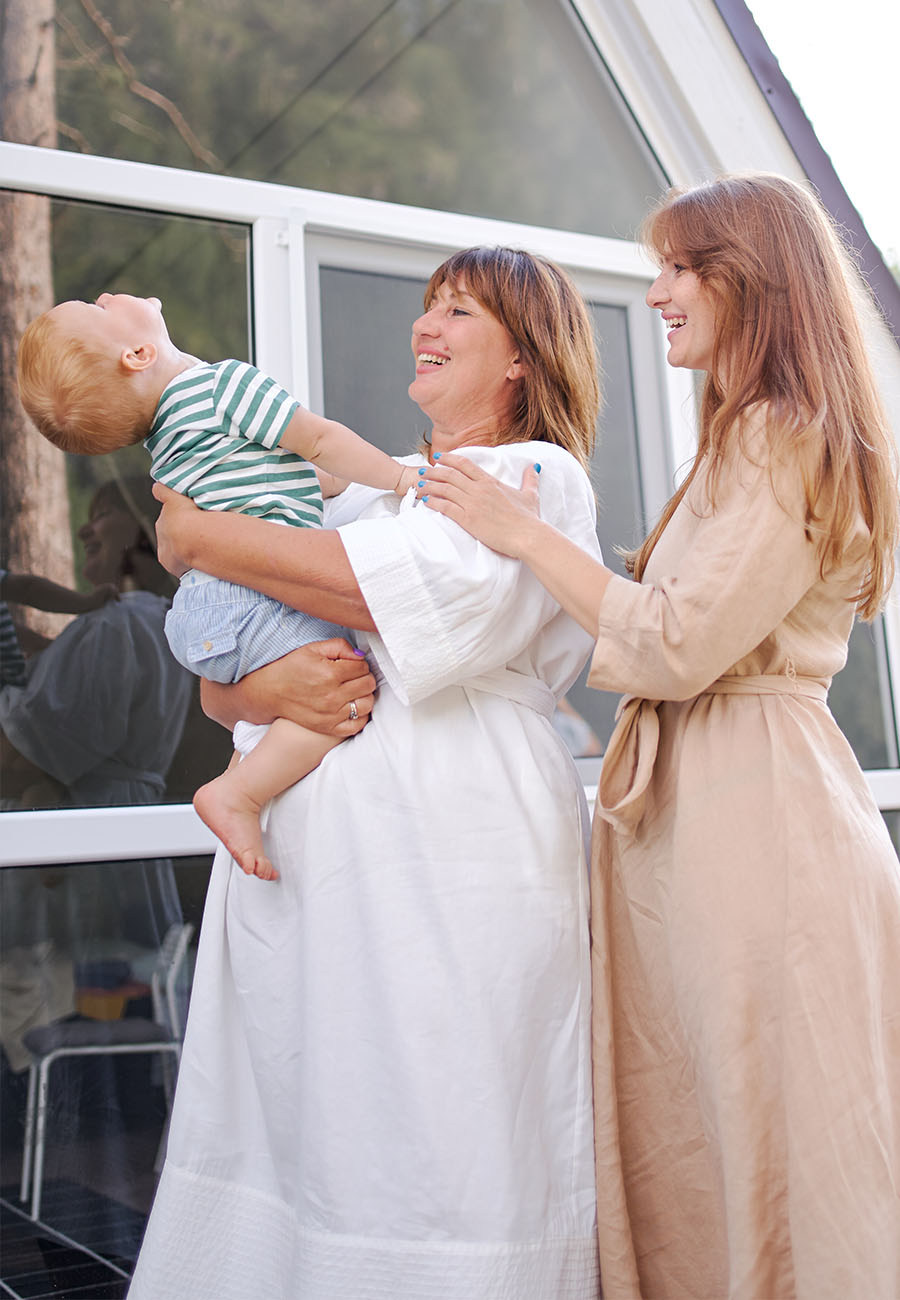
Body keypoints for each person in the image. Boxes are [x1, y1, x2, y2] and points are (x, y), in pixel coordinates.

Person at [418, 175, 900, 1298]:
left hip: (757, 817)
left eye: (683, 269)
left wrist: (525, 536)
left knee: (769, 1136)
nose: (658, 293)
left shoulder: (784, 437)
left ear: (754, 281)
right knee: (706, 1128)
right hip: (708, 811)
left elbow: (680, 643)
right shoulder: (741, 442)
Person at [123, 245, 604, 1299]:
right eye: (427, 304)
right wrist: (263, 691)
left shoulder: (530, 478)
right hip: (311, 896)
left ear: (523, 359)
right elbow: (221, 678)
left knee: (444, 1142)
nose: (428, 325)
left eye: (462, 312)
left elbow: (360, 594)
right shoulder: (364, 498)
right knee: (308, 1146)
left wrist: (195, 530)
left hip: (451, 876)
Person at [17, 301, 419, 879]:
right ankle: (239, 794)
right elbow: (320, 441)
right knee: (337, 696)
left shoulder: (168, 441)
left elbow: (301, 474)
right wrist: (403, 477)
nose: (106, 297)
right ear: (137, 354)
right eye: (96, 306)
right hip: (253, 599)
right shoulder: (223, 386)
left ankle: (243, 778)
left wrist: (325, 480)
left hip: (202, 613)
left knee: (272, 715)